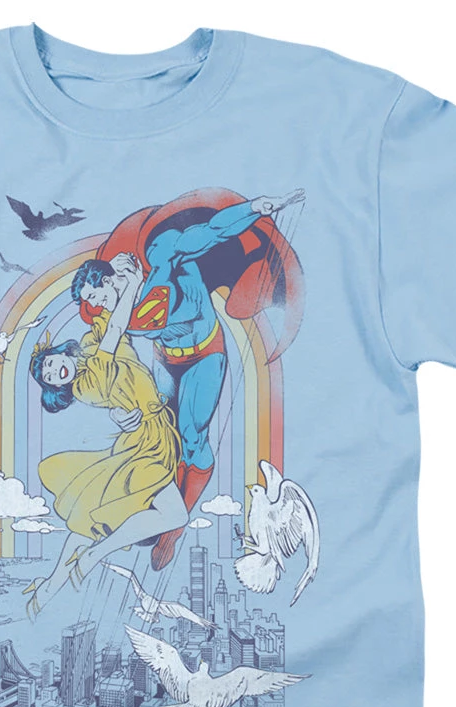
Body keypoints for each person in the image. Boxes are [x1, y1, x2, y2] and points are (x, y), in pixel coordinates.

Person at [72, 188, 305, 570]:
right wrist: (118, 410)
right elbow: (111, 368)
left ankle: (174, 527)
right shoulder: (112, 317)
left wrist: (253, 209)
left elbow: (211, 232)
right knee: (157, 431)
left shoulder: (160, 256)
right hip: (165, 359)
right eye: (91, 303)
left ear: (109, 279)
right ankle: (153, 506)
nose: (95, 306)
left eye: (95, 296)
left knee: (192, 436)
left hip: (204, 355)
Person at [24, 254, 187, 618]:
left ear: (58, 352)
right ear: (57, 388)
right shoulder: (86, 381)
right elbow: (115, 330)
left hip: (151, 434)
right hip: (144, 443)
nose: (54, 371)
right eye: (49, 377)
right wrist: (131, 283)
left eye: (51, 363)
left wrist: (118, 279)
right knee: (173, 514)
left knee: (92, 520)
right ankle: (95, 556)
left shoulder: (89, 342)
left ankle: (48, 589)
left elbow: (113, 322)